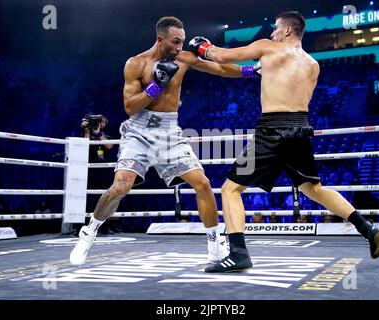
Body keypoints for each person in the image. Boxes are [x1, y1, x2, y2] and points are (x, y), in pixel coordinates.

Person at [189, 11, 379, 273]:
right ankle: (367, 228)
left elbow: (222, 57)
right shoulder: (313, 64)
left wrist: (202, 46)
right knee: (313, 188)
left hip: (272, 130)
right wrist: (252, 68)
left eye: (276, 29)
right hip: (301, 129)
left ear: (288, 31)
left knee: (230, 189)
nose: (272, 34)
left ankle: (237, 253)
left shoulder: (269, 48)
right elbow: (269, 76)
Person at [70, 16, 257, 265]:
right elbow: (129, 106)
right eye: (176, 42)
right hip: (139, 130)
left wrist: (250, 70)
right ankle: (89, 231)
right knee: (121, 186)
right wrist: (156, 86)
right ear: (161, 40)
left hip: (169, 130)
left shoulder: (184, 58)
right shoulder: (135, 64)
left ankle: (215, 246)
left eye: (182, 41)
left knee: (202, 183)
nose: (180, 46)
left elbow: (221, 69)